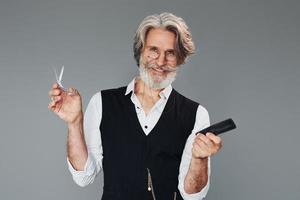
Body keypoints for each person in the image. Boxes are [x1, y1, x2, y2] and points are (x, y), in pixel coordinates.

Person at [48, 12, 222, 200]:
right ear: (140, 51)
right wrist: (74, 123)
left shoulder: (196, 114)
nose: (161, 61)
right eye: (153, 50)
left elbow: (192, 195)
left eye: (170, 53)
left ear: (180, 58)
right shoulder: (102, 103)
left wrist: (199, 158)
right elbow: (84, 176)